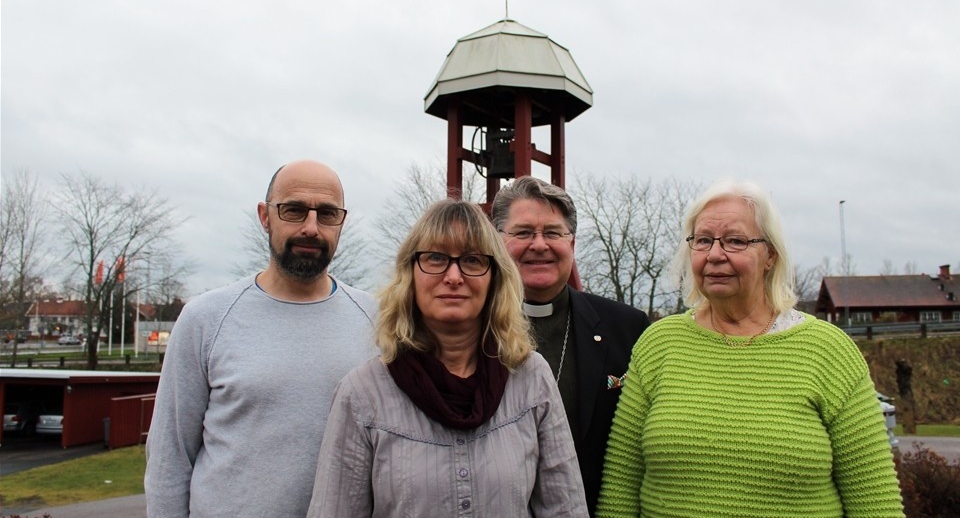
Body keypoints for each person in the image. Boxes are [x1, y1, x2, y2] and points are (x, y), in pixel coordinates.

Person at [597, 179, 904, 518]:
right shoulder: (659, 345)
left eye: (735, 241)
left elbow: (876, 502)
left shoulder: (827, 351)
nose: (715, 254)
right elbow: (620, 488)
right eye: (702, 241)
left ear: (770, 255)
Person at [306, 199, 588, 517]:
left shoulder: (531, 377)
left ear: (494, 277)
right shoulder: (363, 394)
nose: (453, 277)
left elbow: (565, 508)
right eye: (436, 258)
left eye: (472, 260)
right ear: (410, 274)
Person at [144, 160, 377, 517]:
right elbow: (169, 458)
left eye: (327, 214)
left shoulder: (377, 321)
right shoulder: (205, 318)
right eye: (294, 210)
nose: (311, 228)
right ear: (265, 216)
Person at [490, 176, 650, 516]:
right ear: (496, 242)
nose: (539, 245)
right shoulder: (467, 327)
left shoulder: (626, 328)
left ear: (572, 243)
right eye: (522, 233)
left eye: (552, 232)